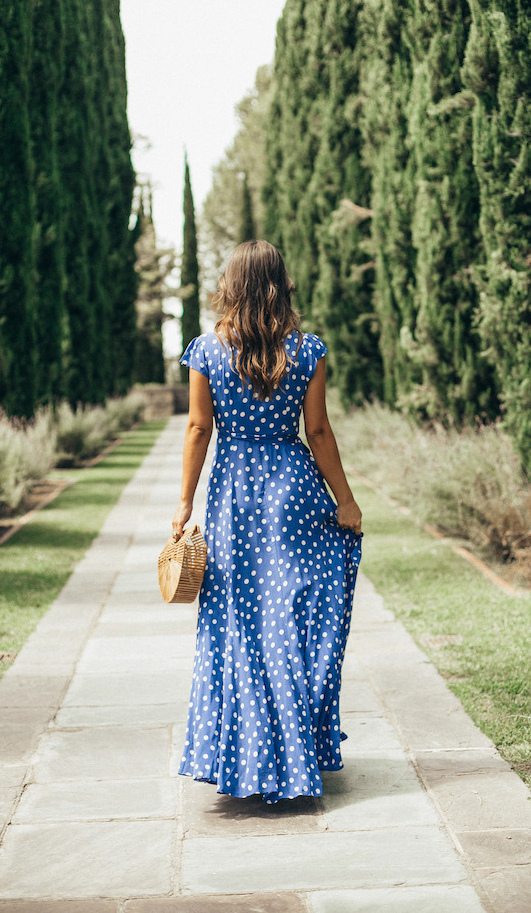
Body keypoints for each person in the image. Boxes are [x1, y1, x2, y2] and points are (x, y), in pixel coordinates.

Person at [172, 239, 363, 804]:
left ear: (231, 284)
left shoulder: (207, 351)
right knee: (293, 620)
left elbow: (198, 431)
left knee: (241, 625)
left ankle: (246, 757)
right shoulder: (307, 351)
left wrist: (184, 504)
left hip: (234, 500)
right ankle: (295, 753)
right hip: (294, 495)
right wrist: (345, 502)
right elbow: (319, 432)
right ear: (282, 283)